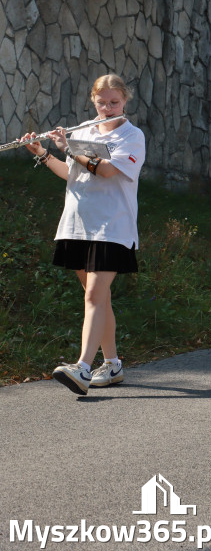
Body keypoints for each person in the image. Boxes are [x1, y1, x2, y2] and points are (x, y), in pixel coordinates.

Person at [23, 75, 145, 395]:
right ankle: (113, 363)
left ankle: (82, 368)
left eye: (114, 102)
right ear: (93, 100)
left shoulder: (132, 136)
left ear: (125, 101)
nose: (107, 108)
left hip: (111, 227)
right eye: (102, 102)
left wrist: (68, 145)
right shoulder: (84, 131)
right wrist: (43, 153)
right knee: (97, 298)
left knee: (94, 296)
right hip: (78, 224)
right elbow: (72, 174)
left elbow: (105, 170)